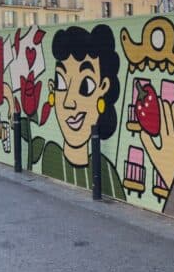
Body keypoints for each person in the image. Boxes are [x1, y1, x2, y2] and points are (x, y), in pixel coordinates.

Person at [41, 24, 126, 201]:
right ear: (52, 88)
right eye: (62, 84)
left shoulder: (108, 172)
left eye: (85, 85)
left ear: (103, 88)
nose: (68, 102)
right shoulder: (48, 154)